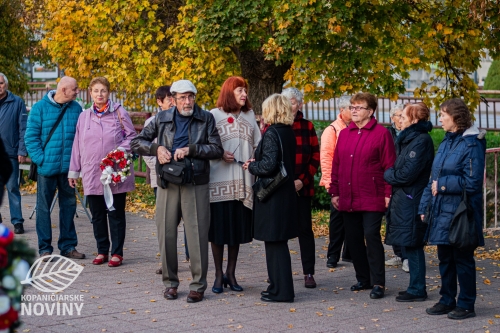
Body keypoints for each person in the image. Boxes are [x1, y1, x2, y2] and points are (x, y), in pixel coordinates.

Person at [131, 79, 224, 303]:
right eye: (182, 97)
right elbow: (136, 142)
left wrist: (191, 149)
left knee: (197, 234)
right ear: (173, 99)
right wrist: (157, 148)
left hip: (196, 182)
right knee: (166, 234)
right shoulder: (161, 119)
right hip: (168, 181)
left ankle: (198, 286)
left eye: (190, 96)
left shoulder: (206, 118)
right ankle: (170, 283)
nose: (187, 101)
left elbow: (216, 149)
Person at [420, 98, 486, 320]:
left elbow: (474, 182)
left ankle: (466, 304)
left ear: (455, 117)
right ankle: (447, 299)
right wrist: (424, 205)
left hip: (461, 213)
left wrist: (444, 185)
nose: (439, 118)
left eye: (443, 114)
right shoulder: (447, 142)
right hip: (441, 211)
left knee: (463, 259)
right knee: (445, 258)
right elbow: (433, 177)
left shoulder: (472, 144)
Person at [329, 92, 396, 300]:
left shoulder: (381, 134)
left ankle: (378, 282)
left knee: (371, 236)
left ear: (371, 111)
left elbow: (389, 166)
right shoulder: (345, 133)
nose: (354, 110)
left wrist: (388, 193)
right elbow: (336, 165)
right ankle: (363, 278)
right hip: (348, 196)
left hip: (372, 195)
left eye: (359, 107)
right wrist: (335, 190)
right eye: (352, 107)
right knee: (353, 238)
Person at [68, 76, 136, 267]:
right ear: (90, 93)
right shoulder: (84, 116)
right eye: (96, 91)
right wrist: (74, 171)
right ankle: (102, 250)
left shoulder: (119, 112)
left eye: (103, 91)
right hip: (92, 172)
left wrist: (119, 152)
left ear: (108, 93)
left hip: (114, 172)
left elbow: (132, 137)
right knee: (97, 214)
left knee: (115, 213)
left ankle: (117, 252)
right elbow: (77, 144)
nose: (99, 94)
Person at [243, 93, 298, 303]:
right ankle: (277, 287)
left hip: (273, 195)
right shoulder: (287, 132)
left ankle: (281, 291)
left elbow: (269, 165)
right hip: (284, 193)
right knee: (277, 244)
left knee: (275, 244)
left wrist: (251, 165)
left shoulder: (273, 133)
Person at [209, 76, 261, 293]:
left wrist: (255, 160)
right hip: (219, 181)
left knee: (236, 232)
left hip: (243, 183)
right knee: (219, 231)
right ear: (229, 92)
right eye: (240, 90)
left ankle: (231, 272)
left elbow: (258, 144)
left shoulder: (249, 115)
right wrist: (220, 153)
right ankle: (218, 275)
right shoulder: (214, 114)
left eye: (245, 91)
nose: (244, 94)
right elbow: (206, 145)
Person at [25, 76, 85, 260]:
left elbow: (81, 137)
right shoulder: (39, 108)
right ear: (64, 90)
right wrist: (41, 160)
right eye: (74, 89)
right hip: (46, 169)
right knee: (43, 208)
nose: (77, 92)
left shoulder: (76, 108)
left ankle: (68, 247)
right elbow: (31, 138)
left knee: (68, 206)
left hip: (68, 170)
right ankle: (45, 249)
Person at [384, 102, 434, 302]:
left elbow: (405, 174)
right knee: (409, 244)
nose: (400, 119)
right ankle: (415, 286)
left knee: (413, 244)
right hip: (405, 198)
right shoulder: (408, 140)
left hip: (412, 198)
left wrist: (389, 175)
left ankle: (418, 288)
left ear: (414, 119)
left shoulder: (420, 141)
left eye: (404, 116)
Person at [143, 86, 190, 275]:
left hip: (184, 175)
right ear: (159, 102)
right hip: (161, 177)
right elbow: (144, 147)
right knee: (166, 222)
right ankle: (166, 260)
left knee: (188, 218)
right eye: (168, 99)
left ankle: (190, 255)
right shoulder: (153, 121)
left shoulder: (185, 119)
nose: (172, 102)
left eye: (173, 98)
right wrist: (160, 162)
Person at [281, 87, 320, 288]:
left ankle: (308, 272)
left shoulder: (308, 126)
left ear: (300, 104)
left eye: (293, 102)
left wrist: (302, 180)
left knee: (305, 230)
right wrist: (286, 182)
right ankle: (279, 272)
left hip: (302, 187)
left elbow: (315, 157)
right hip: (281, 188)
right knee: (281, 231)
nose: (290, 105)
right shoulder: (275, 126)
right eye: (286, 101)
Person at [320, 96, 352, 268]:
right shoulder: (332, 130)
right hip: (338, 183)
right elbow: (326, 158)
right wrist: (329, 185)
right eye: (351, 108)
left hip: (352, 182)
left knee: (353, 219)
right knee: (337, 222)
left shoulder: (355, 127)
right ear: (342, 110)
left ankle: (349, 253)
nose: (354, 111)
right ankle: (333, 256)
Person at [0, 73, 27, 233]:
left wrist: (22, 150)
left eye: (1, 83)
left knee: (12, 188)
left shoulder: (17, 102)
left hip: (10, 153)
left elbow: (23, 128)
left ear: (6, 84)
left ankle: (17, 221)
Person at [384, 104, 409, 272]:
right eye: (398, 116)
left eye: (403, 115)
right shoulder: (387, 133)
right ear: (392, 118)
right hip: (390, 179)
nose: (401, 119)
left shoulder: (409, 134)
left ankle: (407, 256)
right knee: (391, 218)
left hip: (404, 181)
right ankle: (398, 254)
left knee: (405, 220)